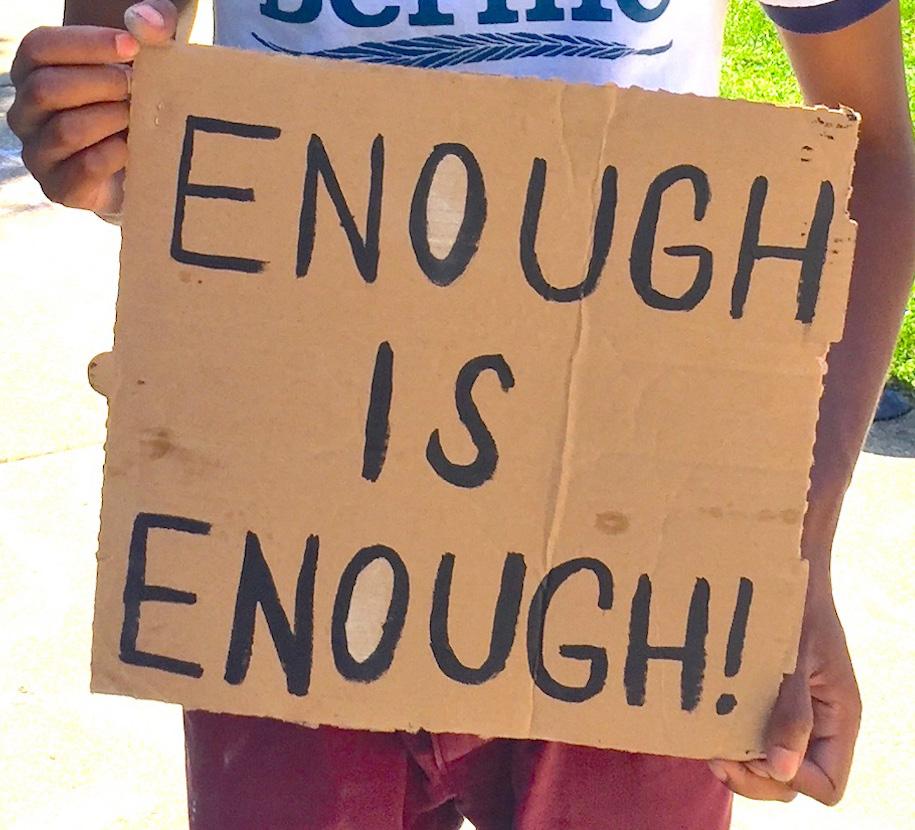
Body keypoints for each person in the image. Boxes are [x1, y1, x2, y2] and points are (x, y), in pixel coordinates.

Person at [7, 1, 914, 827]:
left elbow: (870, 150)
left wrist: (789, 545)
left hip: (633, 555)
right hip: (283, 536)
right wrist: (96, 128)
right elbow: (115, 78)